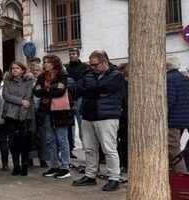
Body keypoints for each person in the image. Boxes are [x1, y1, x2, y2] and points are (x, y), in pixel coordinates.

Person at [74, 50, 125, 192]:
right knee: (89, 148)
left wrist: (92, 91)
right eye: (90, 65)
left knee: (109, 149)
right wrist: (96, 92)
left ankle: (114, 177)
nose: (92, 67)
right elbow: (79, 90)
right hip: (88, 114)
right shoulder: (88, 74)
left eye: (95, 65)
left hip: (107, 116)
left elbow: (106, 88)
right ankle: (90, 175)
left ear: (104, 62)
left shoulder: (116, 75)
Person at [34, 55, 73, 179]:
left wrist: (45, 89)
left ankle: (65, 166)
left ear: (54, 63)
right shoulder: (41, 77)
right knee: (50, 139)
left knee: (62, 139)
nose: (45, 64)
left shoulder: (62, 75)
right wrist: (50, 88)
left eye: (48, 62)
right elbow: (36, 91)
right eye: (44, 62)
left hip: (60, 111)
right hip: (46, 110)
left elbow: (60, 91)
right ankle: (54, 165)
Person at [2, 61, 35, 176]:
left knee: (24, 141)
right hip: (10, 114)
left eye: (17, 68)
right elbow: (6, 96)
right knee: (13, 141)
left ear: (22, 70)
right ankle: (16, 165)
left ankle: (25, 165)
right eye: (13, 68)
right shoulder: (7, 82)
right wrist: (20, 101)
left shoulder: (28, 82)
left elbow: (28, 98)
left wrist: (22, 105)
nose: (15, 70)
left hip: (25, 114)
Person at [166, 56, 189, 173]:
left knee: (172, 147)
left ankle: (182, 173)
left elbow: (169, 100)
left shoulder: (169, 79)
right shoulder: (183, 78)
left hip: (172, 119)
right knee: (173, 146)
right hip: (182, 118)